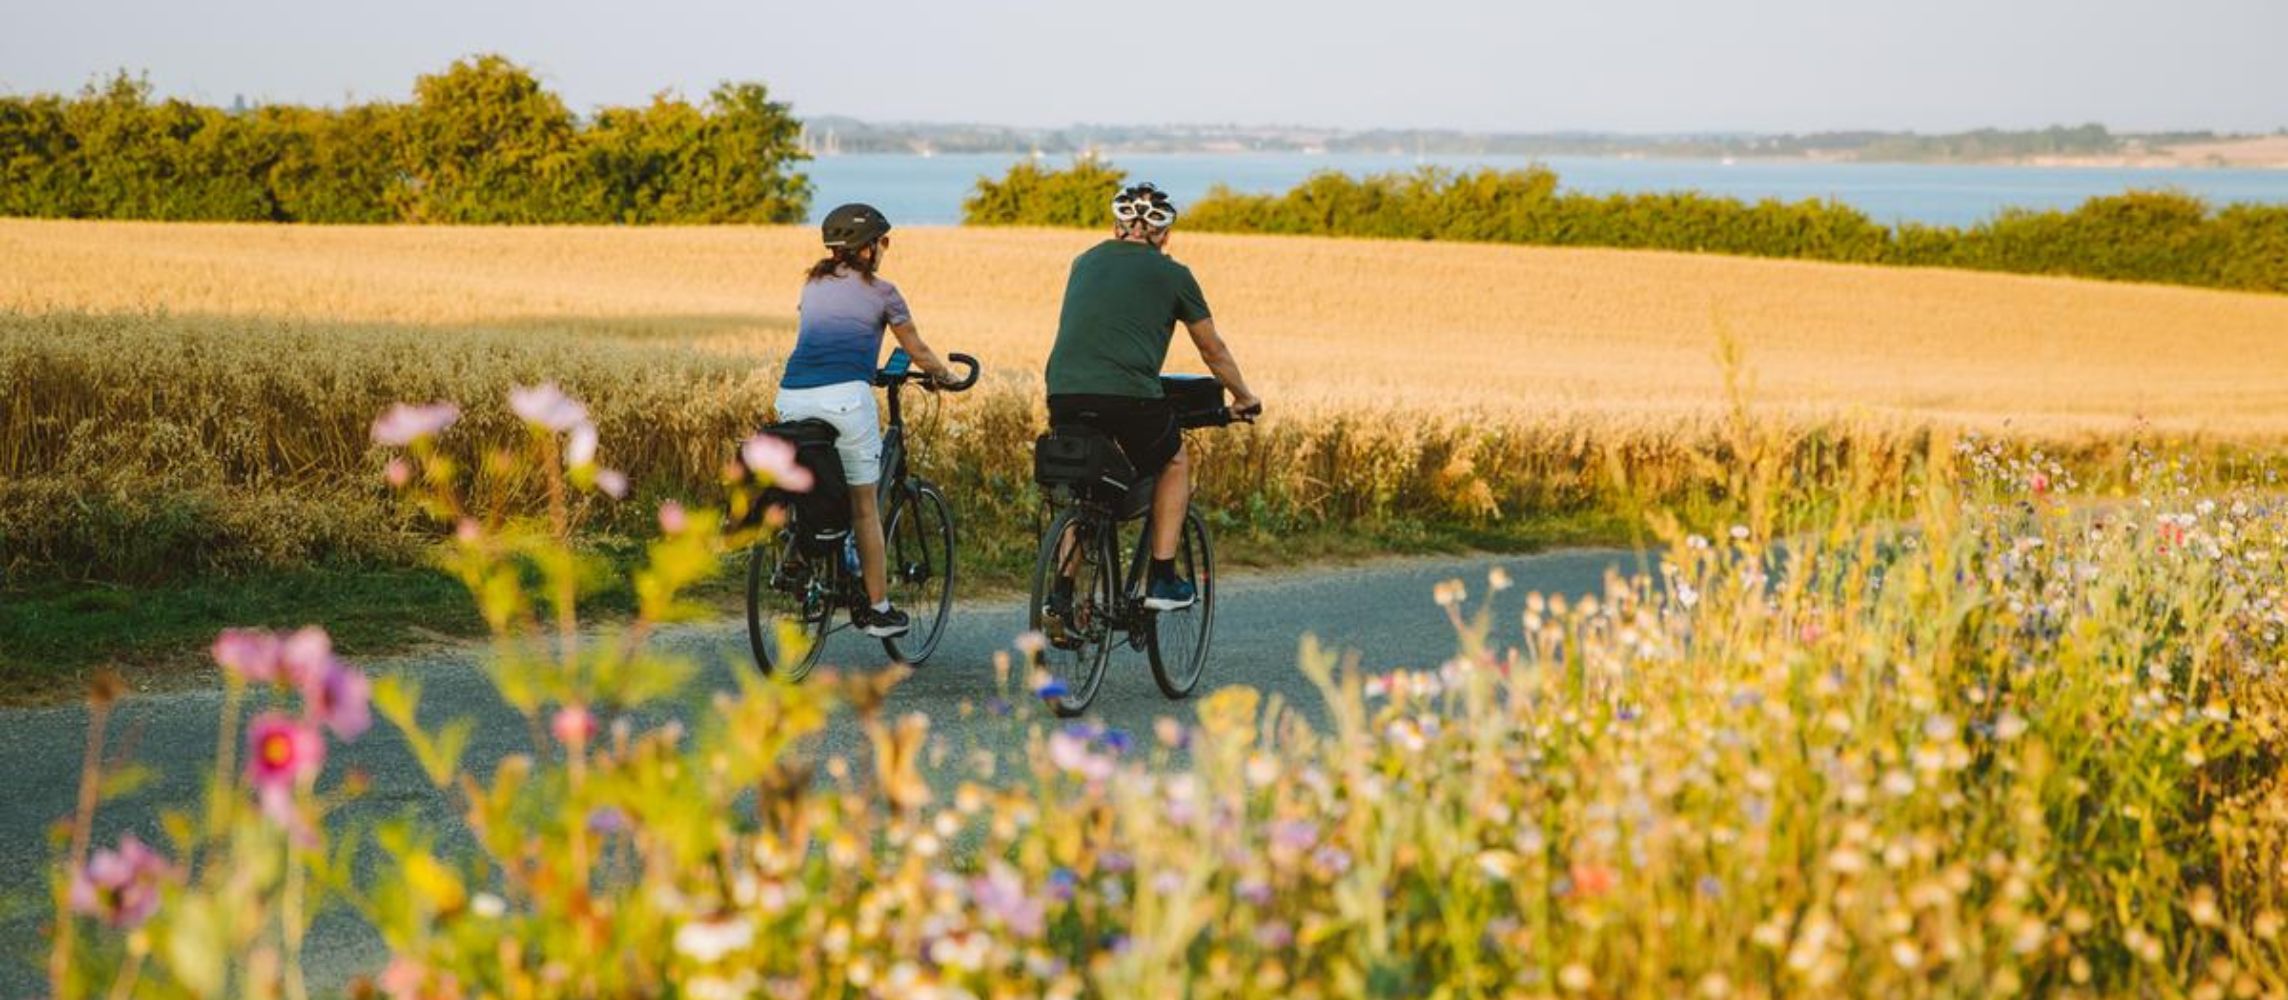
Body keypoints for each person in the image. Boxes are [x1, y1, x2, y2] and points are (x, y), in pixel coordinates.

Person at [1043, 182, 1263, 619]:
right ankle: (1162, 576)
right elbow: (1212, 349)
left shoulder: (1083, 261)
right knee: (1173, 461)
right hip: (1129, 397)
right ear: (1164, 235)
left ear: (1117, 227)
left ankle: (1061, 594)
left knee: (1090, 485)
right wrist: (1242, 396)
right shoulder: (1174, 274)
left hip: (1063, 392)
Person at [777, 203, 957, 638]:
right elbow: (916, 348)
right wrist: (944, 376)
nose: (885, 250)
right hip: (846, 401)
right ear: (866, 248)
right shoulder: (883, 291)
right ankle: (878, 609)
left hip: (791, 397)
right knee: (863, 508)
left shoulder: (813, 285)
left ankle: (796, 561)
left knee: (809, 486)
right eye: (883, 242)